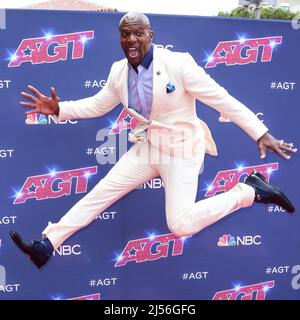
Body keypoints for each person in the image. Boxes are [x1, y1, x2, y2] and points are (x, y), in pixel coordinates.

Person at [10, 12, 296, 269]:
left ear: (151, 35)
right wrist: (60, 109)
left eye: (138, 33)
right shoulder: (118, 72)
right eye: (125, 34)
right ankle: (48, 244)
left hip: (183, 150)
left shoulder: (179, 64)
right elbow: (98, 105)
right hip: (149, 146)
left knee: (181, 224)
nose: (131, 39)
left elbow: (222, 98)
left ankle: (248, 191)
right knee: (101, 193)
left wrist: (261, 132)